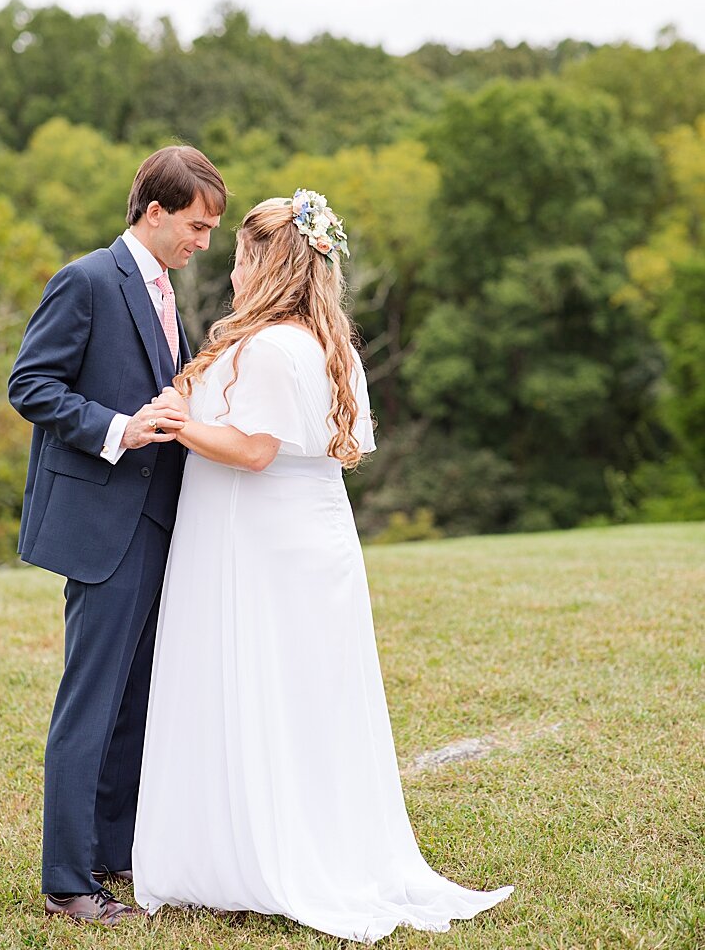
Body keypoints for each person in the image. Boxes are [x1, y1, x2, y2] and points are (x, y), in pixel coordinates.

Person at [131, 192, 513, 942]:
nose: (231, 269)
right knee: (301, 696)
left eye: (241, 256)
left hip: (259, 541)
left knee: (259, 686)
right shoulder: (320, 339)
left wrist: (179, 426)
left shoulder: (272, 347)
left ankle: (264, 856)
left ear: (266, 265)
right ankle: (261, 844)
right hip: (305, 539)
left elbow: (253, 448)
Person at [7, 145, 226, 924]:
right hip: (103, 521)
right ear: (154, 211)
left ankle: (113, 851)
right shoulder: (88, 279)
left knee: (136, 698)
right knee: (91, 701)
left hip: (156, 519)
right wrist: (117, 429)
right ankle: (68, 881)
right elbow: (30, 385)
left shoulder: (166, 291)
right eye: (197, 226)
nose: (204, 242)